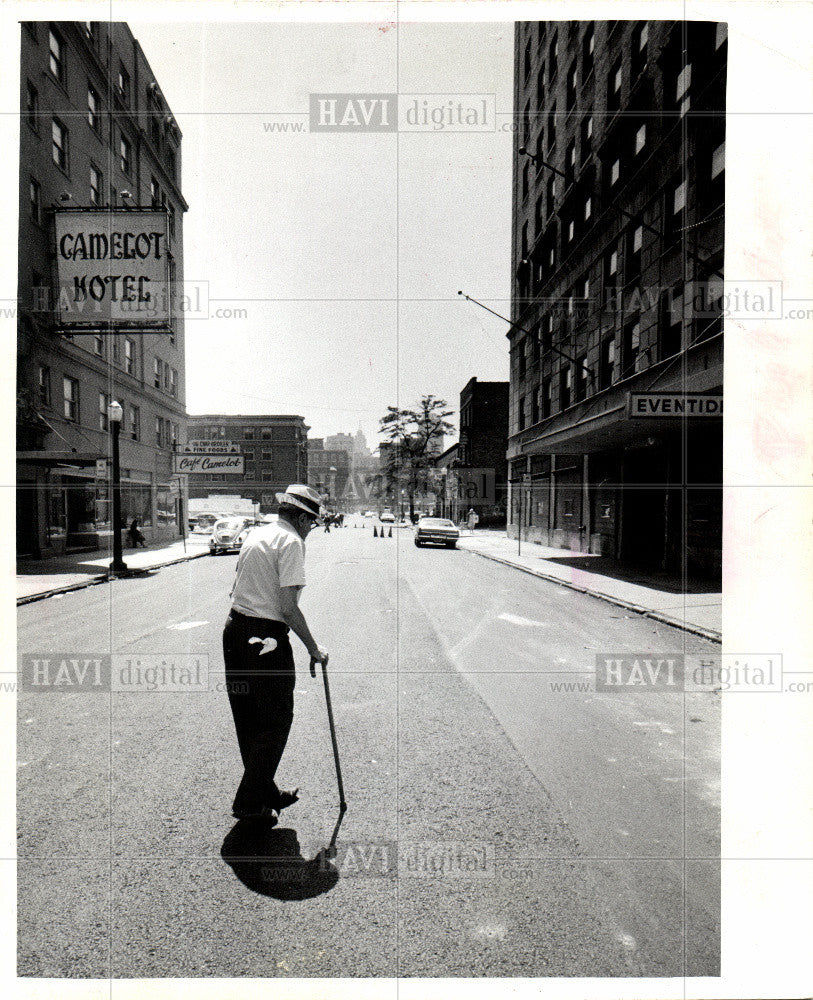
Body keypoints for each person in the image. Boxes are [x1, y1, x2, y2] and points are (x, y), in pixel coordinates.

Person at [222, 484, 329, 823]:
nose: (311, 527)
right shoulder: (292, 543)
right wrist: (314, 648)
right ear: (298, 517)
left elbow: (235, 587)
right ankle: (249, 802)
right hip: (265, 638)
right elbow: (288, 608)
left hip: (234, 630)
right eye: (310, 520)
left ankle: (264, 792)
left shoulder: (257, 535)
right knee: (276, 719)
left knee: (249, 721)